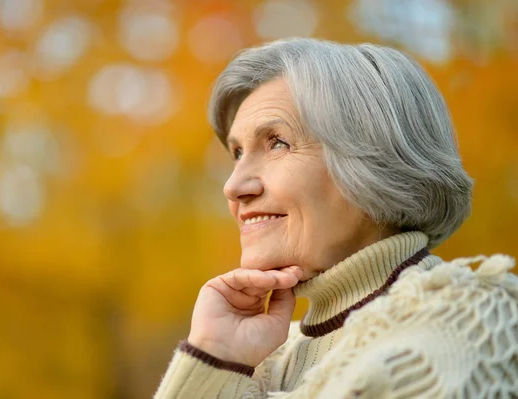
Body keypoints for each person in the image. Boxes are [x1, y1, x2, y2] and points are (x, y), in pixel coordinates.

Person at [154, 38, 518, 398]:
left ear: (376, 160)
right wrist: (216, 357)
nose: (233, 186)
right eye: (236, 153)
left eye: (277, 142)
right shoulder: (267, 357)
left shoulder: (468, 325)